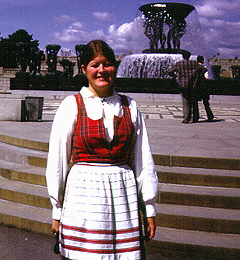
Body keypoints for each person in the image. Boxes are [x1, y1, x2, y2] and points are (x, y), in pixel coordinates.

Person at [46, 40, 158, 259]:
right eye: (95, 65)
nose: (101, 71)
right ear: (84, 69)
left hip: (122, 194)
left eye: (107, 64)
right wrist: (56, 210)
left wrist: (149, 207)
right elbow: (57, 161)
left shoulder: (129, 105)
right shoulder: (72, 105)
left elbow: (143, 160)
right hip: (83, 193)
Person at [167, 50, 198, 123]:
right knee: (193, 101)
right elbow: (204, 69)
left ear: (183, 56)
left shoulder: (179, 64)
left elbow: (170, 72)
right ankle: (195, 118)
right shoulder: (194, 63)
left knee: (185, 101)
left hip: (183, 84)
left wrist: (176, 77)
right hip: (193, 84)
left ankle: (186, 118)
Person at [192, 55, 215, 122]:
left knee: (195, 103)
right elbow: (207, 77)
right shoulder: (204, 68)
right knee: (206, 103)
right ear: (202, 61)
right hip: (203, 87)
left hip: (196, 87)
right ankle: (210, 116)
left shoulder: (194, 68)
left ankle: (195, 117)